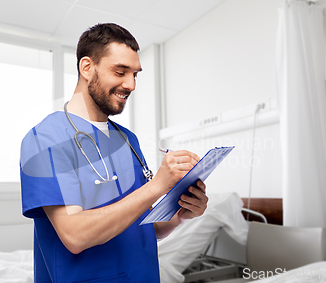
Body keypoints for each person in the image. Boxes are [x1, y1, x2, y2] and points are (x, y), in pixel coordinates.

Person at [20, 23, 208, 283]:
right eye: (120, 71)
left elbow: (141, 228)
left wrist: (179, 215)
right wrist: (156, 186)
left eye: (135, 74)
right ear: (87, 67)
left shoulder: (127, 140)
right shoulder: (45, 139)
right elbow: (75, 236)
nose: (130, 84)